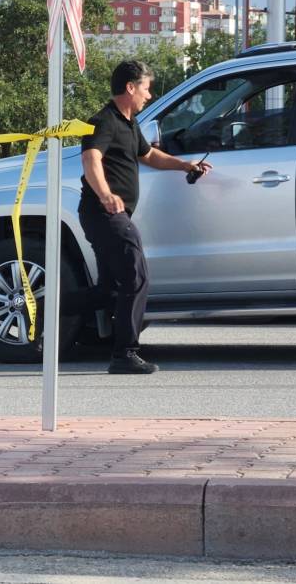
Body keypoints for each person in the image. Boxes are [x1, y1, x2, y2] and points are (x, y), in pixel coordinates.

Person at [79, 61, 212, 374]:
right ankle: (124, 354)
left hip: (109, 214)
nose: (149, 96)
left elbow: (149, 155)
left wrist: (185, 166)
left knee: (109, 289)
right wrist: (106, 194)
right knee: (137, 277)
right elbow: (90, 158)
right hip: (106, 214)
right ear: (130, 88)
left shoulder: (129, 123)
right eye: (146, 88)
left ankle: (45, 310)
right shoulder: (104, 121)